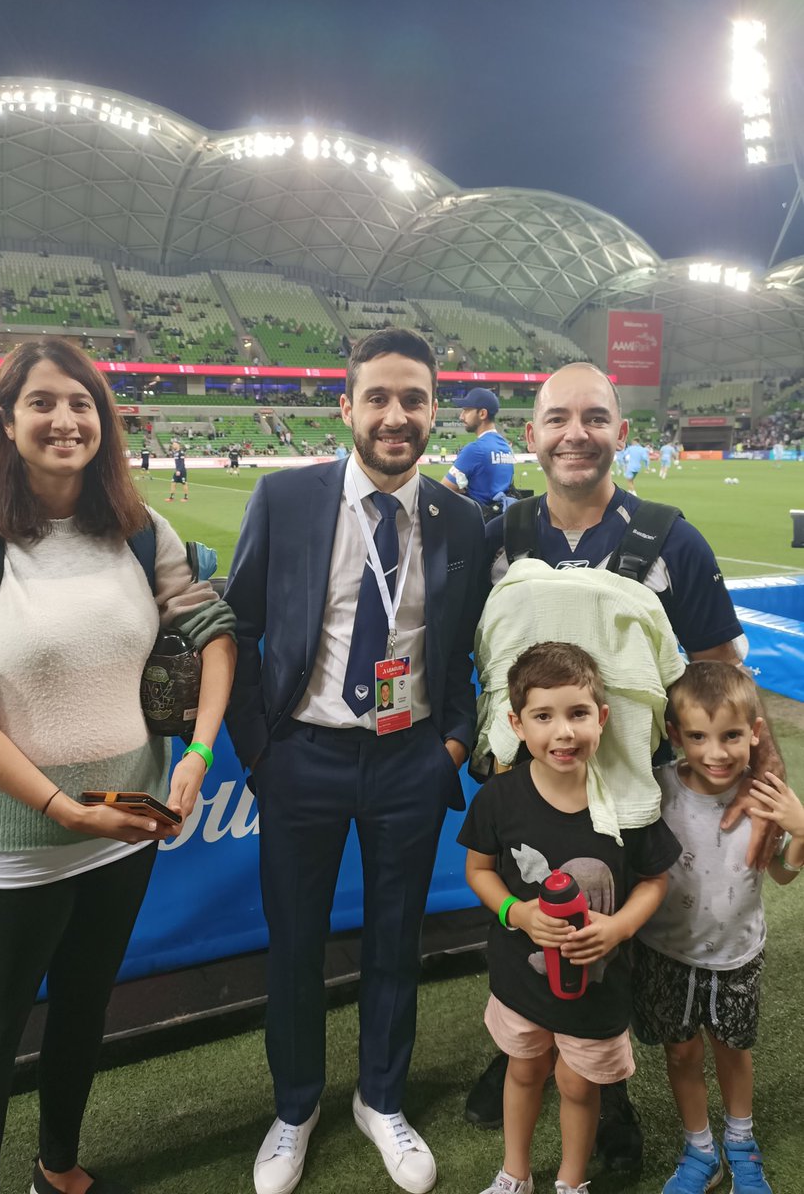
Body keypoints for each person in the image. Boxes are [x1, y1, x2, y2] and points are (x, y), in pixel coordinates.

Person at [0, 339, 236, 1194]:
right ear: (6, 420)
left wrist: (198, 749)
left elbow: (213, 630)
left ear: (104, 419)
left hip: (123, 820)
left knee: (86, 1007)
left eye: (82, 402)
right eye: (44, 402)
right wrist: (61, 806)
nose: (66, 419)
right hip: (15, 838)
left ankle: (59, 1168)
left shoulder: (136, 529)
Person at [475, 362, 785, 1168]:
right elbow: (461, 653)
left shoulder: (671, 535)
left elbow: (725, 671)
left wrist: (766, 782)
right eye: (558, 418)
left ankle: (609, 1099)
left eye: (595, 417)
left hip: (629, 790)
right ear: (533, 434)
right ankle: (514, 1052)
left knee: (613, 941)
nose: (576, 433)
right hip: (528, 784)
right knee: (524, 916)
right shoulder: (498, 539)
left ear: (621, 431)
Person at [224, 326, 485, 1194]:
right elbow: (241, 626)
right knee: (296, 944)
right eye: (378, 396)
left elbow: (463, 648)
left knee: (395, 942)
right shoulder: (287, 499)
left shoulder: (461, 519)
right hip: (303, 757)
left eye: (414, 398)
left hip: (410, 759)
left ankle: (382, 1099)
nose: (396, 415)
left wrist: (449, 740)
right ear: (347, 407)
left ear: (435, 410)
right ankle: (294, 1108)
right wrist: (260, 751)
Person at [459, 643, 679, 1194]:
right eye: (543, 716)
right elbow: (480, 871)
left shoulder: (626, 802)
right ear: (516, 724)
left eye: (578, 714)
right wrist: (518, 912)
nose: (563, 732)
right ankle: (515, 1174)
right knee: (524, 1071)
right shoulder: (500, 799)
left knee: (580, 1087)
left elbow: (656, 879)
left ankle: (571, 1182)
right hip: (521, 981)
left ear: (602, 718)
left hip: (597, 991)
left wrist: (620, 927)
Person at [633, 662, 803, 1194]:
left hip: (736, 955)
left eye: (731, 735)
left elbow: (780, 873)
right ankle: (700, 1150)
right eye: (699, 736)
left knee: (733, 1050)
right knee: (681, 1051)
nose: (716, 752)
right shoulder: (657, 792)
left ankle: (741, 1146)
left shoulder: (767, 798)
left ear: (754, 733)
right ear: (675, 735)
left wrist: (799, 828)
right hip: (665, 951)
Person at [441, 387, 514, 520]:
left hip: (478, 525)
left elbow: (442, 491)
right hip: (500, 521)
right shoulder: (506, 447)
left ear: (482, 414)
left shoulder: (474, 450)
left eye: (466, 410)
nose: (461, 416)